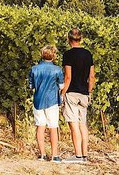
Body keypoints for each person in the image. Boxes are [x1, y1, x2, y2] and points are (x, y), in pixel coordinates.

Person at [61, 28, 95, 163]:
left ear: (69, 39)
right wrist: (90, 91)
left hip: (72, 92)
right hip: (84, 93)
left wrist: (62, 93)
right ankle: (85, 154)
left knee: (73, 124)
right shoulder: (88, 54)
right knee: (83, 124)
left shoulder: (68, 55)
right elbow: (91, 76)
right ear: (81, 39)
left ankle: (78, 155)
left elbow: (68, 77)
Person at [28, 45, 64, 163]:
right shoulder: (57, 69)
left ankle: (42, 154)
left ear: (42, 55)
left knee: (40, 126)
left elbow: (31, 86)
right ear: (53, 56)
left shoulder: (34, 69)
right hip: (52, 100)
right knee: (53, 128)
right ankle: (54, 155)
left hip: (38, 100)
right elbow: (61, 86)